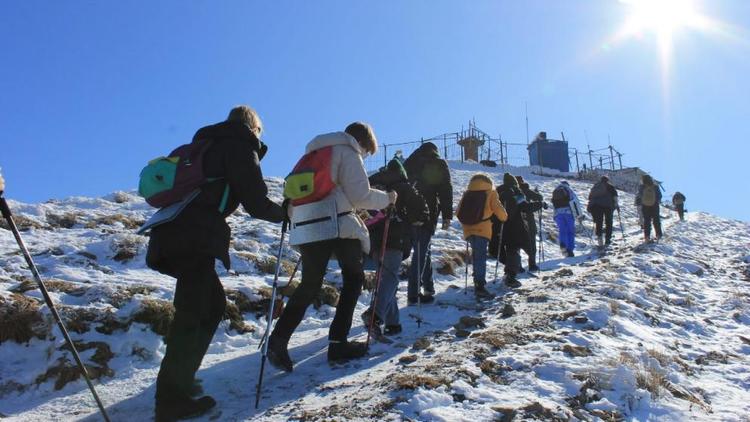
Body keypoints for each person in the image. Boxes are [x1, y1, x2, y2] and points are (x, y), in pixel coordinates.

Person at [145, 106, 285, 421]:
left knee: (208, 305)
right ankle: (171, 398)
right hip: (194, 236)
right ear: (253, 128)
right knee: (194, 311)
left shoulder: (203, 146)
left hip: (171, 233)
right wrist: (286, 214)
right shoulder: (238, 145)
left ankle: (179, 381)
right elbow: (256, 201)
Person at [267, 122, 396, 372]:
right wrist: (388, 200)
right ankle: (338, 343)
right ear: (363, 142)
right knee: (353, 279)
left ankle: (278, 340)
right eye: (368, 150)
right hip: (336, 224)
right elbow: (361, 195)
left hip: (305, 223)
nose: (366, 154)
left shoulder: (312, 153)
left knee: (310, 284)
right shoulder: (347, 151)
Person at [363, 159, 429, 336]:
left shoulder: (372, 187)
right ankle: (375, 314)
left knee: (385, 276)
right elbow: (422, 212)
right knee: (390, 277)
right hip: (396, 236)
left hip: (373, 239)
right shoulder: (403, 187)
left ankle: (394, 324)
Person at [403, 142, 453, 304]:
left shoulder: (409, 163)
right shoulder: (437, 163)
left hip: (407, 212)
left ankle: (429, 287)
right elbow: (445, 190)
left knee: (424, 249)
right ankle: (413, 293)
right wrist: (447, 215)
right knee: (421, 252)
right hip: (427, 212)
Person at [458, 174, 508, 298]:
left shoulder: (467, 193)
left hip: (468, 229)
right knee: (480, 256)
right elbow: (500, 211)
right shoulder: (490, 192)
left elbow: (458, 212)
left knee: (476, 254)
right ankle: (479, 286)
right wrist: (504, 217)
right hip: (483, 229)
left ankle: (477, 280)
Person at [490, 173, 542, 287]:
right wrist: (540, 204)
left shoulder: (497, 193)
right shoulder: (516, 192)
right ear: (514, 182)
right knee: (513, 250)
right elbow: (526, 207)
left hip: (500, 226)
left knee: (506, 250)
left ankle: (510, 270)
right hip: (515, 226)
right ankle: (510, 276)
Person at [516, 176, 547, 271]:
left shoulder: (510, 191)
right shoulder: (525, 190)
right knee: (531, 243)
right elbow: (539, 197)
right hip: (528, 220)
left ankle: (518, 266)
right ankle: (532, 264)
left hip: (514, 221)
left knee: (516, 244)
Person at [551, 180, 583, 257]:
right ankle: (570, 250)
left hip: (558, 214)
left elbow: (554, 205)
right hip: (568, 213)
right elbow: (575, 203)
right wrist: (579, 215)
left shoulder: (555, 191)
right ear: (567, 185)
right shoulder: (569, 190)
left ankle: (563, 244)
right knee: (570, 231)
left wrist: (555, 216)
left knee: (562, 230)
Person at [587, 176, 619, 248]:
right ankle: (607, 240)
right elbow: (615, 197)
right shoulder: (610, 186)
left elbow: (590, 197)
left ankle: (600, 241)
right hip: (607, 206)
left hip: (596, 206)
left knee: (599, 222)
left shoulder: (595, 186)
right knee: (609, 222)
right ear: (607, 180)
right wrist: (616, 205)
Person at [636, 174, 663, 241]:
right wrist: (656, 201)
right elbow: (660, 196)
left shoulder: (641, 186)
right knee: (656, 220)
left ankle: (647, 237)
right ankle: (658, 235)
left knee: (647, 221)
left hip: (645, 205)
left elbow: (639, 195)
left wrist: (642, 201)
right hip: (655, 205)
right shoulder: (655, 186)